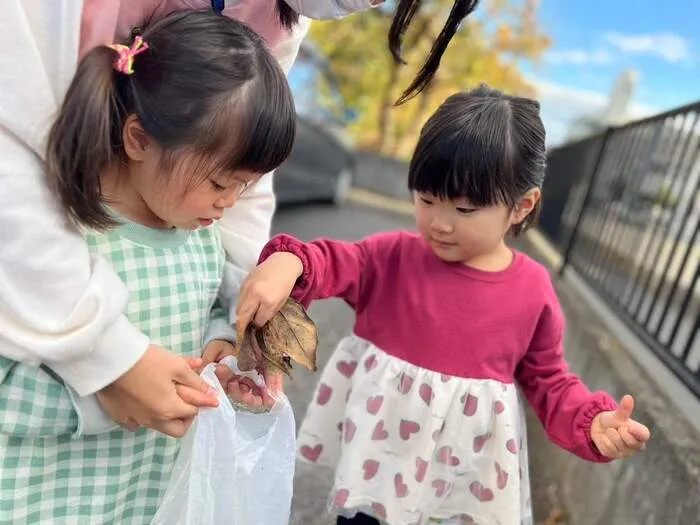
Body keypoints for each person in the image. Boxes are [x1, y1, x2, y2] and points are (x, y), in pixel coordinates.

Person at [234, 85, 652, 525]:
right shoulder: (391, 257)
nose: (439, 222)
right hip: (379, 471)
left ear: (521, 206)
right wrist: (289, 261)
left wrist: (589, 424)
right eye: (427, 199)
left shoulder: (532, 290)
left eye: (466, 209)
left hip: (464, 488)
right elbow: (334, 261)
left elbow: (549, 380)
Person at [0, 11, 296, 524]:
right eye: (220, 182)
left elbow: (206, 323)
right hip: (40, 499)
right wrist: (105, 397)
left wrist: (221, 359)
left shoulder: (202, 241)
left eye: (244, 186)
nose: (229, 204)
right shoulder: (60, 242)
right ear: (138, 139)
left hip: (141, 499)